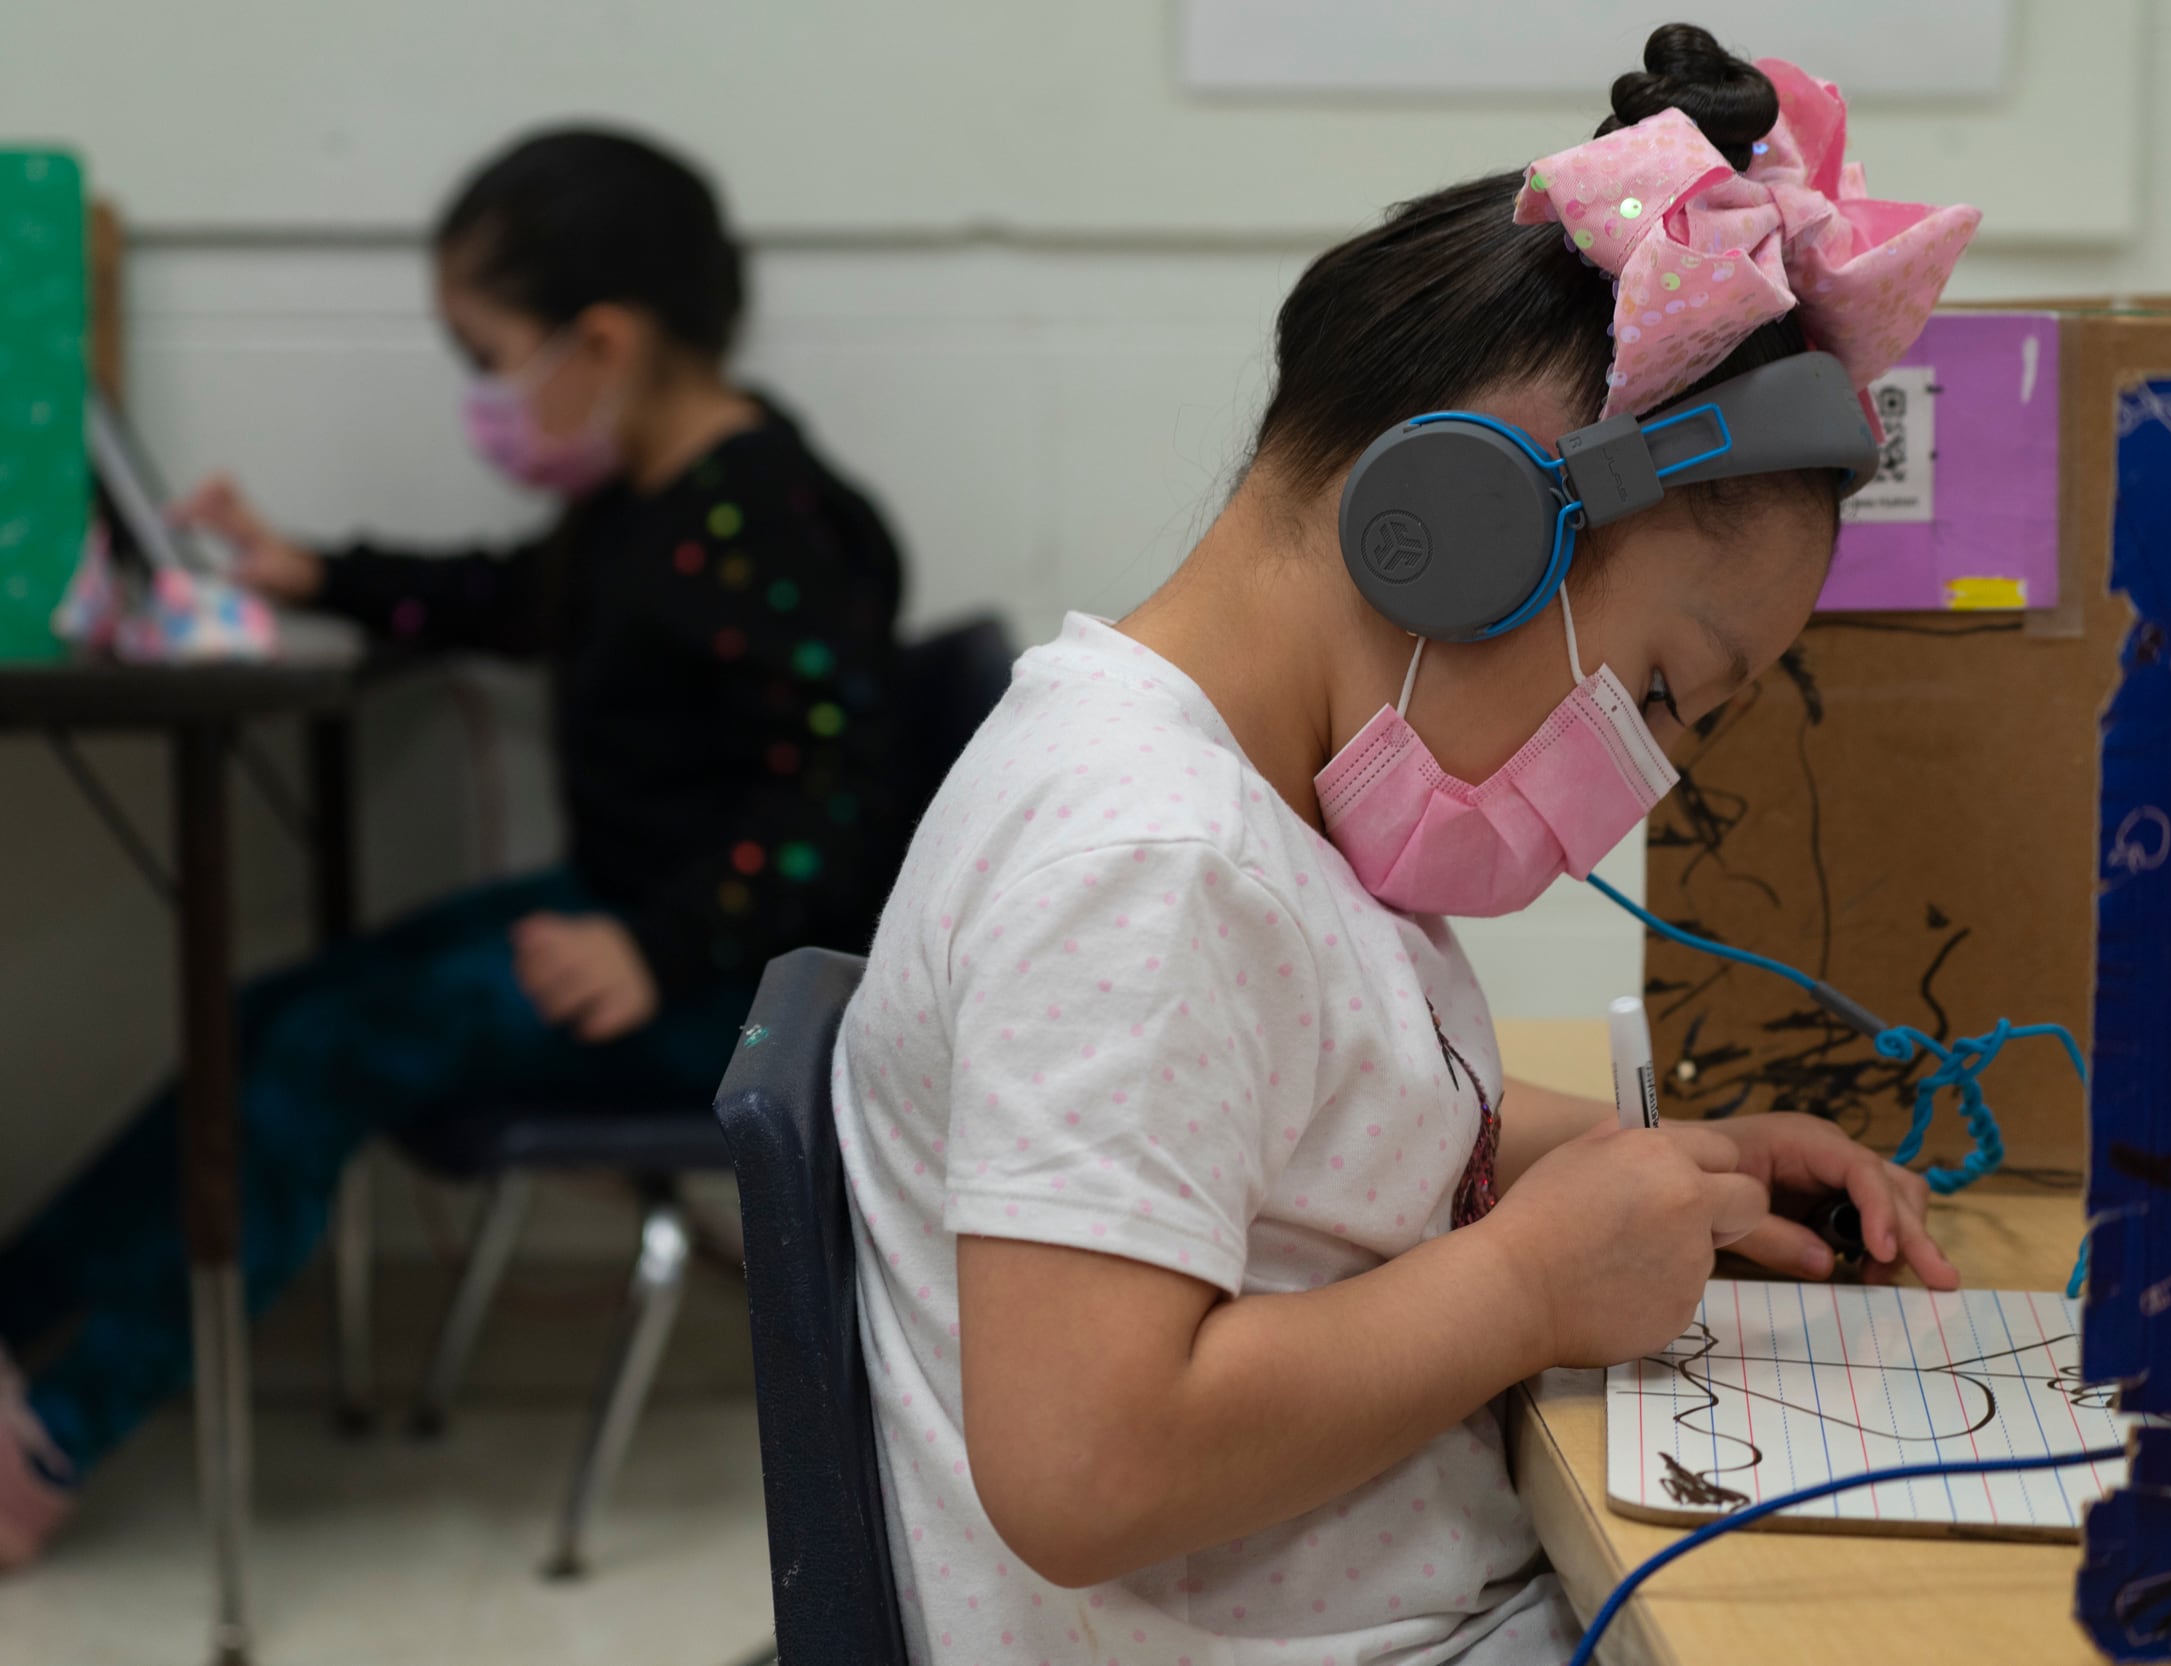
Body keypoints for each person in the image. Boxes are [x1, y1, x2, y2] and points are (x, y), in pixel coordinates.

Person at [835, 26, 1978, 1664]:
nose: (1646, 771)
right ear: (1464, 527)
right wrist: (1524, 1284)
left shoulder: (1250, 816)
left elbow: (1313, 1131)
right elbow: (1081, 1460)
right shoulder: (1148, 859)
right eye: (1665, 688)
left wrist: (1658, 1159)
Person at [0, 127, 910, 1569]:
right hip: (639, 924)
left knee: (322, 1058)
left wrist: (653, 945)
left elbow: (841, 804)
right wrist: (317, 568)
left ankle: (47, 1435)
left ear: (601, 340)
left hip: (714, 989)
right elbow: (509, 596)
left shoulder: (778, 526)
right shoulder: (647, 504)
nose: (482, 396)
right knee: (271, 1009)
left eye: (485, 353)